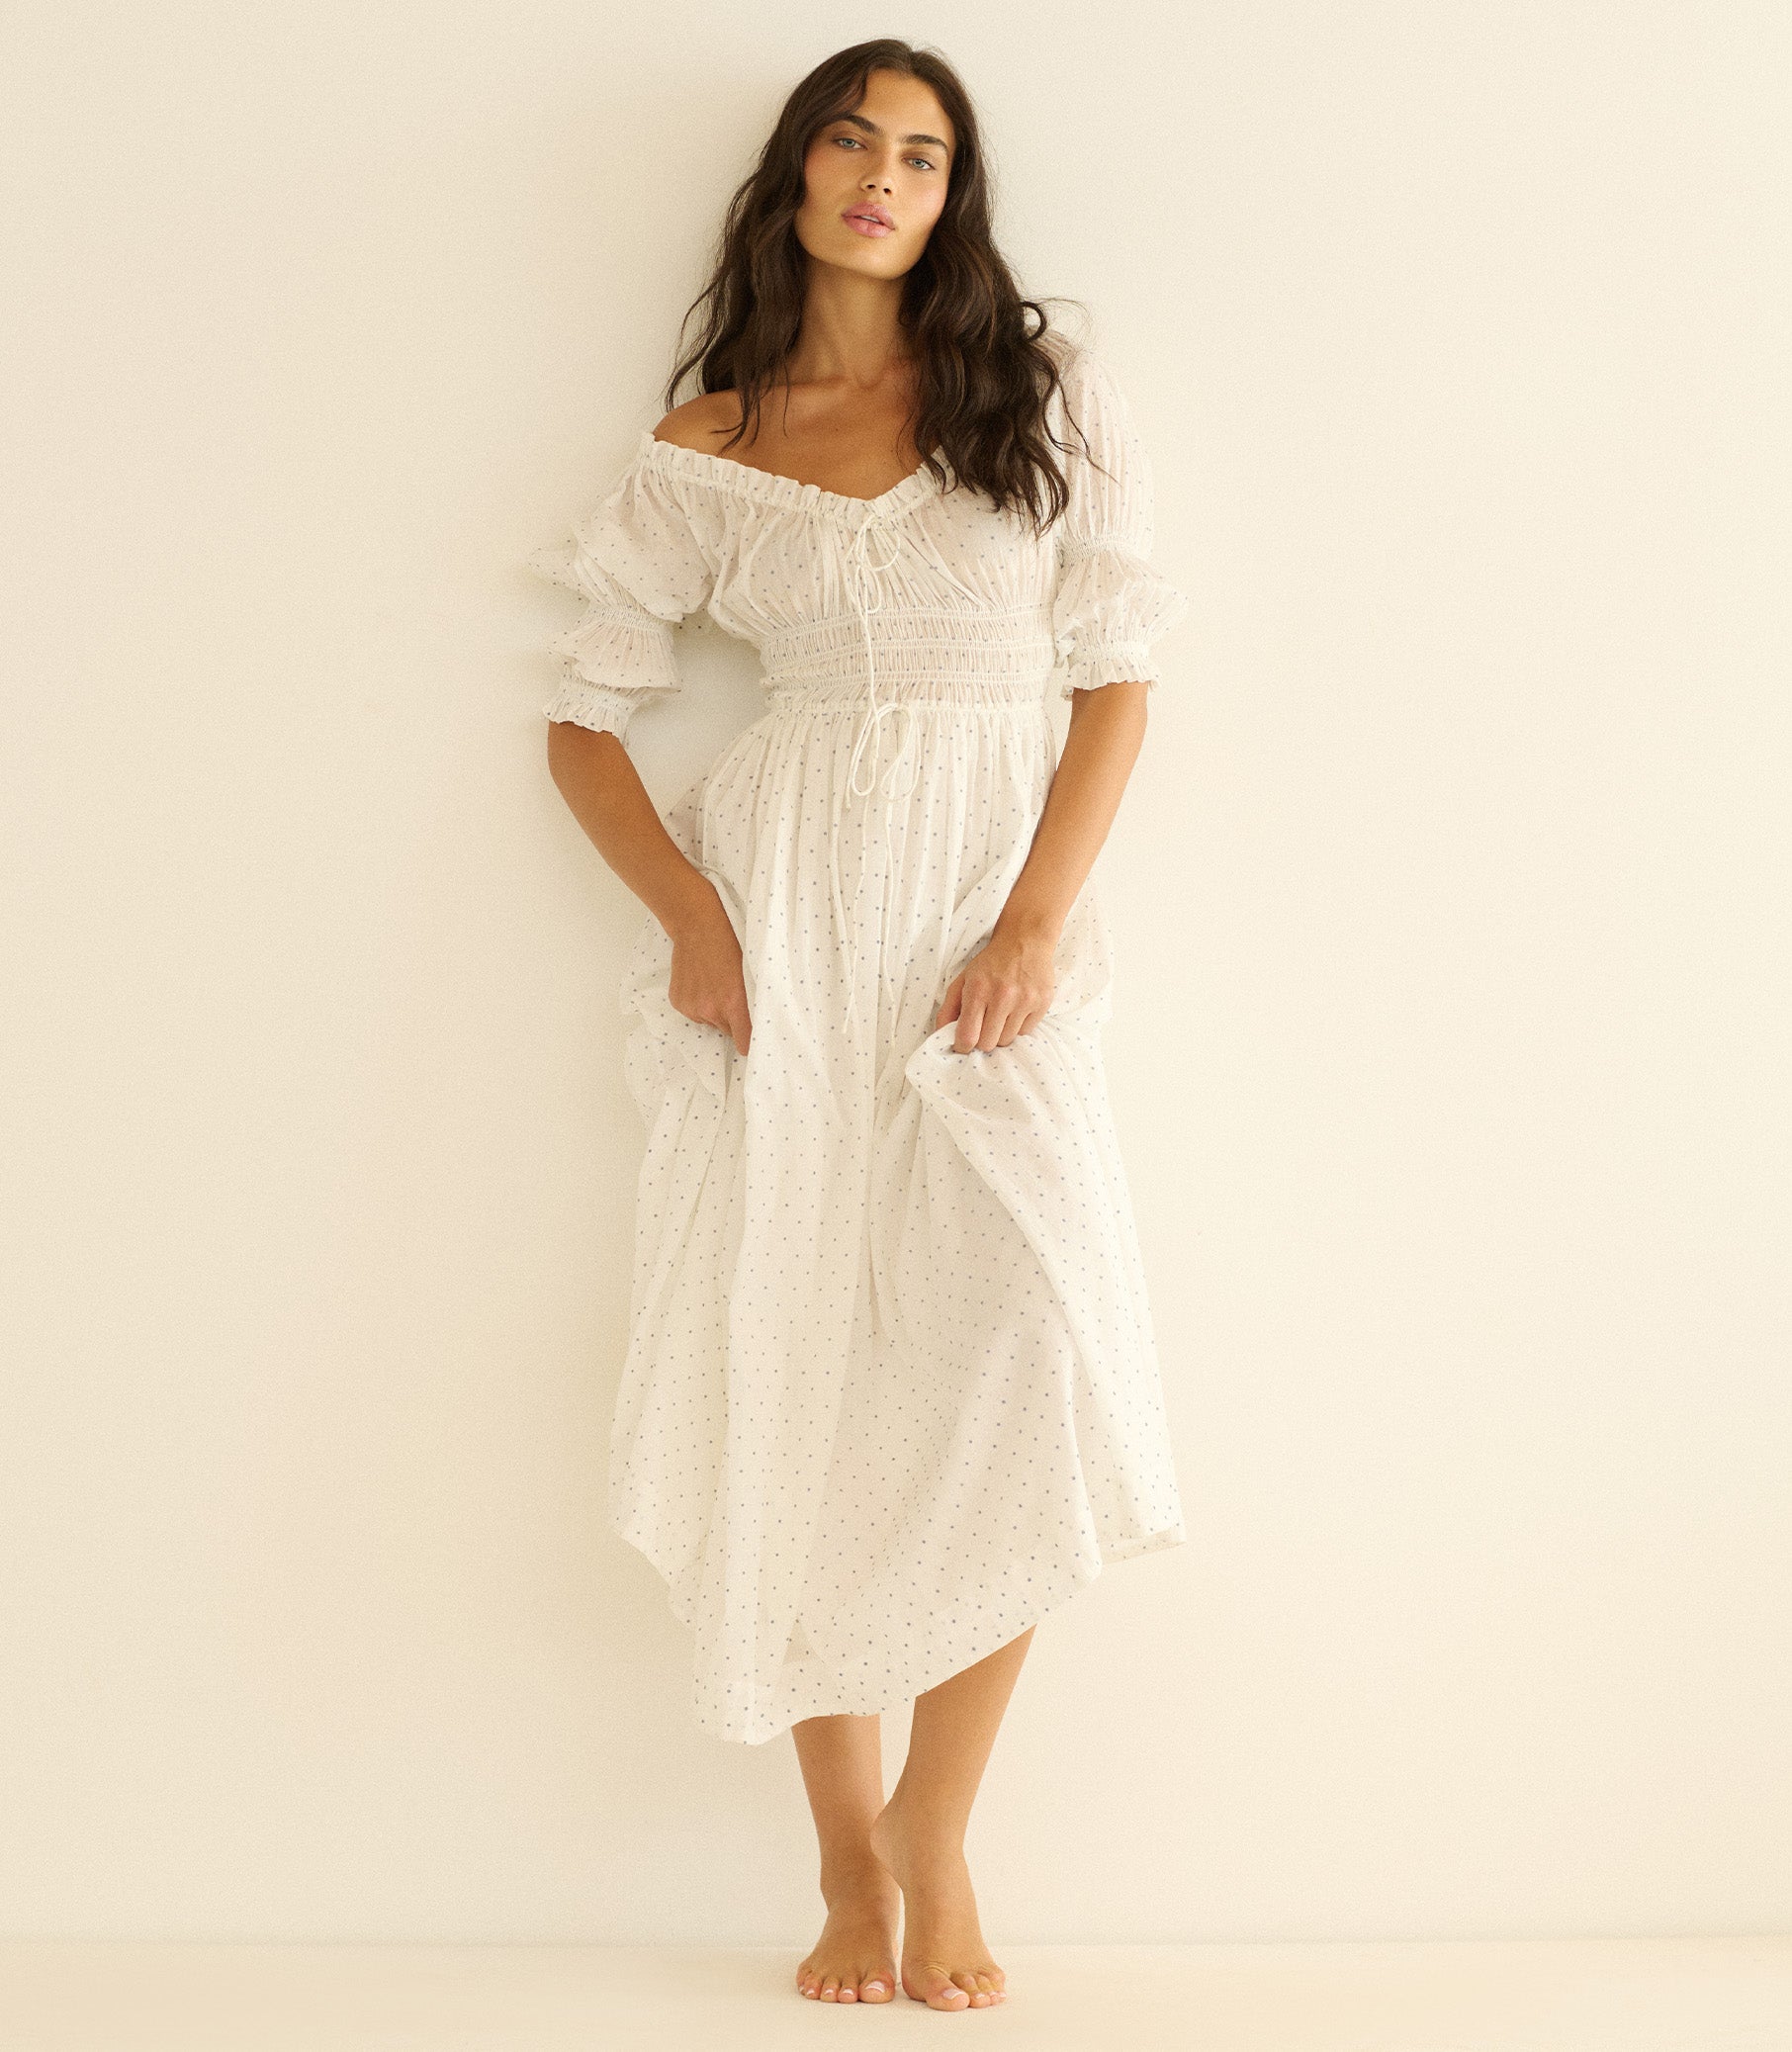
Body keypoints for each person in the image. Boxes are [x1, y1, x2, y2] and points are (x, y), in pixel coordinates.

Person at [532, 39, 1190, 2013]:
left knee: (1027, 1347)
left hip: (986, 938)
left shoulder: (1037, 390)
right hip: (794, 932)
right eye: (852, 139)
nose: (884, 176)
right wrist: (693, 925)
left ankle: (934, 1830)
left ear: (949, 195)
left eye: (921, 153)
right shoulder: (715, 442)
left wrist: (1037, 922)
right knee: (796, 1356)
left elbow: (1117, 676)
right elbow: (581, 720)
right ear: (799, 176)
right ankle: (840, 1858)